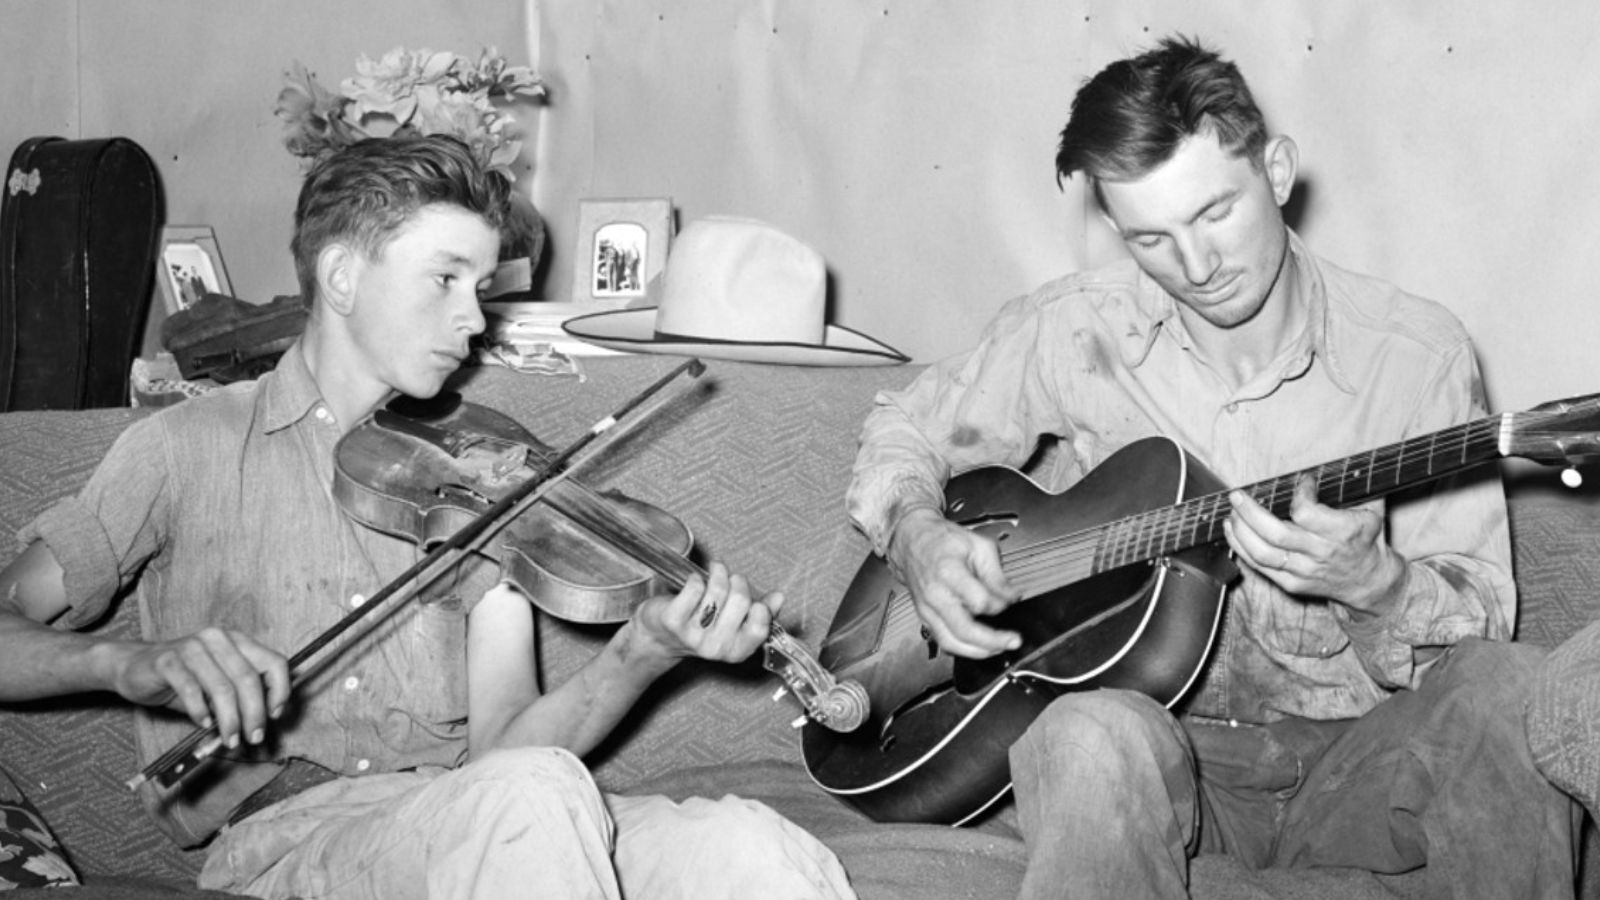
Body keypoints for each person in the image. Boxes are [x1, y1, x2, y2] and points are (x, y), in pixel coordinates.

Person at [0, 135, 854, 900]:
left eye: (480, 288)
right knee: (529, 805)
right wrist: (130, 662)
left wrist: (640, 654)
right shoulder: (185, 447)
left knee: (749, 846)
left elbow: (507, 751)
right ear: (341, 276)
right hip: (296, 842)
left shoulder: (485, 480)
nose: (474, 320)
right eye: (445, 279)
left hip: (473, 812)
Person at [844, 35, 1577, 899]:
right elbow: (906, 429)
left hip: (1352, 764)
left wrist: (1377, 584)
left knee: (1512, 688)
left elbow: (1480, 624)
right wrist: (916, 532)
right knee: (1083, 730)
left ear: (1275, 171)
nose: (1195, 269)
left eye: (1215, 214)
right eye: (1151, 238)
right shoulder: (1074, 327)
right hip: (1158, 758)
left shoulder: (1414, 354)